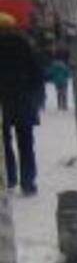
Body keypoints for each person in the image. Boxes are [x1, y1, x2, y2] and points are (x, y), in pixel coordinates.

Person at [0, 24, 44, 195]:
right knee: (26, 143)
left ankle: (9, 178)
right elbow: (38, 74)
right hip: (23, 101)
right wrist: (36, 97)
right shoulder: (24, 46)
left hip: (2, 103)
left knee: (4, 143)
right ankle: (28, 182)